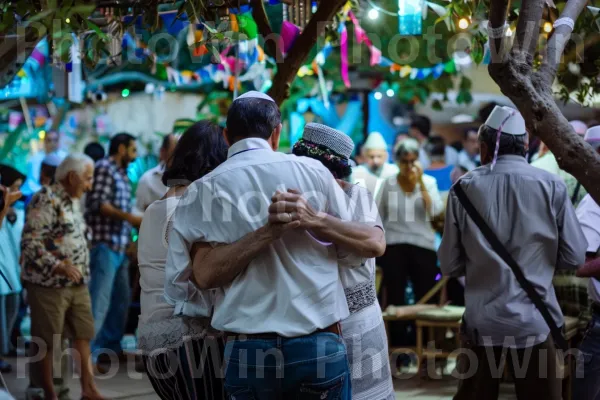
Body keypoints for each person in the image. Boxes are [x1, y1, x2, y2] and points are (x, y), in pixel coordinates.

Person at [166, 92, 385, 399]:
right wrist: (292, 226)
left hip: (247, 351)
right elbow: (352, 253)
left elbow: (194, 283)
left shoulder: (201, 191)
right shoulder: (313, 173)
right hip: (317, 344)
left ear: (227, 136)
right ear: (277, 132)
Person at [439, 106, 586, 400]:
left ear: (483, 147)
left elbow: (449, 264)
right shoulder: (551, 186)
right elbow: (574, 257)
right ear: (525, 143)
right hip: (535, 319)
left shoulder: (463, 188)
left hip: (482, 323)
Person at [291, 123, 394, 400]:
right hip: (311, 325)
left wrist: (320, 221)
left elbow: (375, 243)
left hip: (357, 321)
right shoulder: (292, 198)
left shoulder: (357, 195)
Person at [137, 121, 228, 400]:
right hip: (189, 340)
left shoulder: (156, 207)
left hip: (152, 337)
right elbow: (208, 275)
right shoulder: (194, 207)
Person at [21, 154, 105, 400]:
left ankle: (89, 390)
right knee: (48, 341)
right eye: (87, 179)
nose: (89, 185)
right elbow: (31, 242)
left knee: (83, 334)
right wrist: (58, 266)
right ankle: (49, 394)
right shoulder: (45, 199)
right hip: (49, 284)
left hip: (76, 283)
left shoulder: (73, 200)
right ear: (72, 176)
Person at [377, 138, 444, 345]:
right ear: (398, 162)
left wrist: (421, 182)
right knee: (395, 296)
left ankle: (423, 343)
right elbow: (378, 214)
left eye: (413, 160)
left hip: (422, 245)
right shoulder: (388, 184)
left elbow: (434, 212)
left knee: (424, 295)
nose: (409, 166)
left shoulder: (429, 183)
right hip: (395, 243)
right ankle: (400, 346)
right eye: (405, 161)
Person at [85, 133, 141, 365]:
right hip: (104, 245)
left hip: (119, 246)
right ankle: (88, 353)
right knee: (99, 301)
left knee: (120, 301)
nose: (135, 155)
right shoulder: (104, 168)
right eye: (132, 149)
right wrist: (131, 218)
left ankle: (111, 347)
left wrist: (129, 240)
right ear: (120, 149)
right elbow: (99, 204)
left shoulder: (122, 174)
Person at [0, 165, 26, 374]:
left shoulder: (16, 213)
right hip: (3, 275)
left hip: (11, 274)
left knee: (11, 311)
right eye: (14, 188)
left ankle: (5, 347)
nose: (18, 193)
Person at [135, 133, 179, 212]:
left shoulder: (195, 181)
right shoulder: (147, 180)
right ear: (163, 152)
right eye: (175, 153)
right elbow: (140, 215)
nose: (180, 158)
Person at [352, 131, 399, 196]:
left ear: (386, 155)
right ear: (365, 156)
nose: (375, 161)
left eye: (379, 156)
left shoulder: (395, 172)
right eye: (371, 157)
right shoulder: (357, 173)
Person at [22, 131, 67, 197]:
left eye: (55, 140)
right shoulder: (36, 159)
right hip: (31, 194)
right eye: (49, 140)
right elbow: (31, 182)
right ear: (44, 142)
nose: (52, 143)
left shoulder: (63, 159)